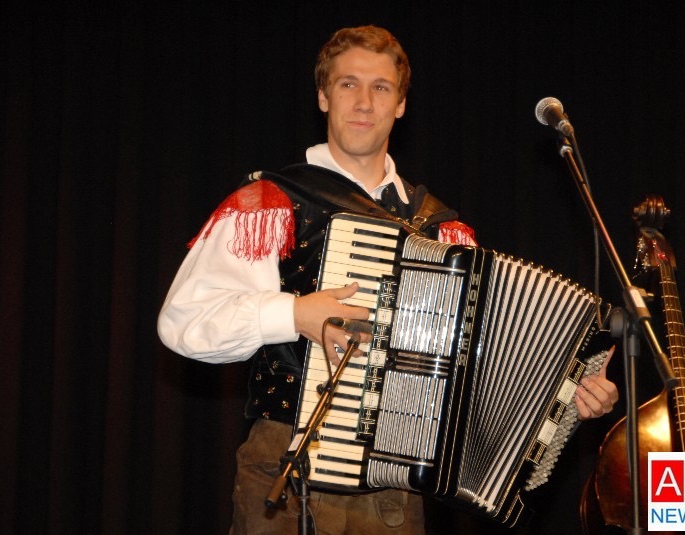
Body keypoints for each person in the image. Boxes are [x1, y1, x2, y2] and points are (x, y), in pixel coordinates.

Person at [158, 25, 619, 535]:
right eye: (347, 84)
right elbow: (184, 322)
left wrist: (568, 394)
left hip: (395, 494)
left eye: (381, 87)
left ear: (400, 105)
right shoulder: (273, 201)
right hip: (287, 473)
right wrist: (294, 314)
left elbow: (481, 370)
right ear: (323, 96)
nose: (364, 102)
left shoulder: (443, 231)